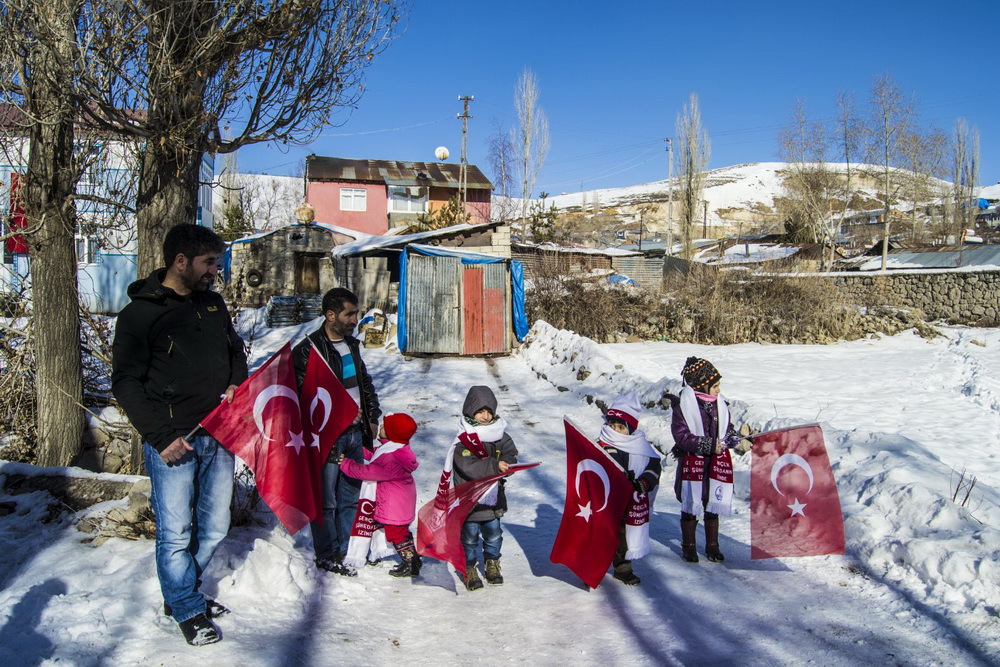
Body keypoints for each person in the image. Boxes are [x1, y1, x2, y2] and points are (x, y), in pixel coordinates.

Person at [111, 224, 247, 646]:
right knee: (174, 532)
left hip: (219, 433)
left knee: (215, 525)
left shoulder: (213, 305)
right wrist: (160, 436)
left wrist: (233, 383)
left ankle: (180, 590)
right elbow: (126, 383)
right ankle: (187, 606)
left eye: (217, 263)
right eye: (209, 263)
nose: (215, 271)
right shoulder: (140, 314)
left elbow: (234, 351)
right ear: (181, 261)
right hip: (174, 440)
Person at [292, 287, 381, 576]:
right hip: (327, 437)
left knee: (350, 497)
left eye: (356, 313)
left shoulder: (352, 345)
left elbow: (364, 383)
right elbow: (301, 399)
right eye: (350, 314)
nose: (356, 319)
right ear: (330, 315)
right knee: (326, 501)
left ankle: (347, 549)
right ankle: (326, 554)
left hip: (356, 433)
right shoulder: (307, 351)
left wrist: (372, 416)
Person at [665, 357, 741, 564]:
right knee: (691, 504)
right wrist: (708, 445)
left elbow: (727, 428)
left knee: (712, 503)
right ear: (702, 384)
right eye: (715, 386)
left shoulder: (720, 405)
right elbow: (681, 436)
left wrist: (732, 437)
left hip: (715, 463)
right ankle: (689, 546)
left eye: (718, 385)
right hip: (693, 462)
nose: (718, 390)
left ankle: (712, 545)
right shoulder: (683, 406)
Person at [337, 413, 421, 577]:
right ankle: (414, 559)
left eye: (384, 427)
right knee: (401, 533)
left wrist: (346, 463)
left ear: (392, 433)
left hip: (394, 506)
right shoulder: (396, 450)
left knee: (396, 535)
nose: (381, 428)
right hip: (400, 503)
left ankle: (410, 563)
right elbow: (375, 455)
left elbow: (368, 471)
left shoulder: (390, 458)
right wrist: (358, 449)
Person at [451, 386, 518, 591]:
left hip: (493, 498)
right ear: (470, 411)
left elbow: (510, 453)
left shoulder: (500, 435)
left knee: (494, 534)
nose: (485, 416)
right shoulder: (464, 438)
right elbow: (467, 465)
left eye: (489, 411)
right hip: (470, 499)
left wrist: (507, 465)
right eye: (480, 411)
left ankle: (492, 563)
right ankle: (469, 567)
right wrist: (493, 466)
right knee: (469, 537)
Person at [597, 391, 662, 586]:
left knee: (624, 535)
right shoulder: (601, 444)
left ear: (631, 429)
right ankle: (595, 566)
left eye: (621, 427)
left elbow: (654, 468)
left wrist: (643, 482)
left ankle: (623, 567)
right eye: (612, 425)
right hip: (606, 500)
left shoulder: (642, 448)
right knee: (601, 534)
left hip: (630, 501)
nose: (615, 431)